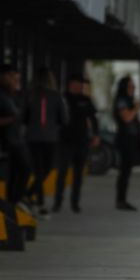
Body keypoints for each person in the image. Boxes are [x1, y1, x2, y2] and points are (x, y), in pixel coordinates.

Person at [24, 68, 67, 215]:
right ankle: (30, 194)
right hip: (50, 138)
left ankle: (38, 201)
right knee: (46, 169)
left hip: (33, 137)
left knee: (38, 170)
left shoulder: (30, 95)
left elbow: (24, 116)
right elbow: (64, 119)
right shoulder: (56, 96)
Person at [54, 76, 98, 214]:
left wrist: (96, 134)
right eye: (78, 84)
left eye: (82, 85)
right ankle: (57, 202)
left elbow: (93, 118)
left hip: (81, 141)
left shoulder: (85, 100)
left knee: (78, 175)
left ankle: (75, 203)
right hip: (65, 141)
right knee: (62, 173)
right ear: (71, 84)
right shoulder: (62, 98)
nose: (80, 87)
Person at [0, 64, 30, 207]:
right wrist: (12, 119)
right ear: (3, 76)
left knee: (19, 171)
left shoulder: (13, 95)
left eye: (16, 78)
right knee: (21, 169)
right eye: (11, 77)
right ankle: (13, 200)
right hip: (6, 140)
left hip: (17, 139)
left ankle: (14, 200)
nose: (14, 80)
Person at [113, 76, 140, 211]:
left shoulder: (128, 101)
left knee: (127, 171)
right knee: (124, 171)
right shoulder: (122, 101)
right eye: (130, 86)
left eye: (134, 86)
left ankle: (122, 199)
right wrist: (136, 108)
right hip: (124, 139)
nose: (133, 89)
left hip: (131, 139)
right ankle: (121, 199)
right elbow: (127, 118)